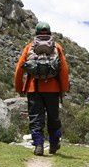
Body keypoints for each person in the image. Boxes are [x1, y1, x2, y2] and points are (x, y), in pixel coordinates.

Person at [14, 21, 69, 156]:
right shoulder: (57, 47)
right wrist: (63, 88)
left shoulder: (29, 47)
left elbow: (19, 69)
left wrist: (19, 87)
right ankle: (54, 145)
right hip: (53, 89)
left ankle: (38, 145)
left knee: (35, 118)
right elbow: (64, 70)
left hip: (34, 89)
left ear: (36, 33)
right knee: (53, 118)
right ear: (49, 33)